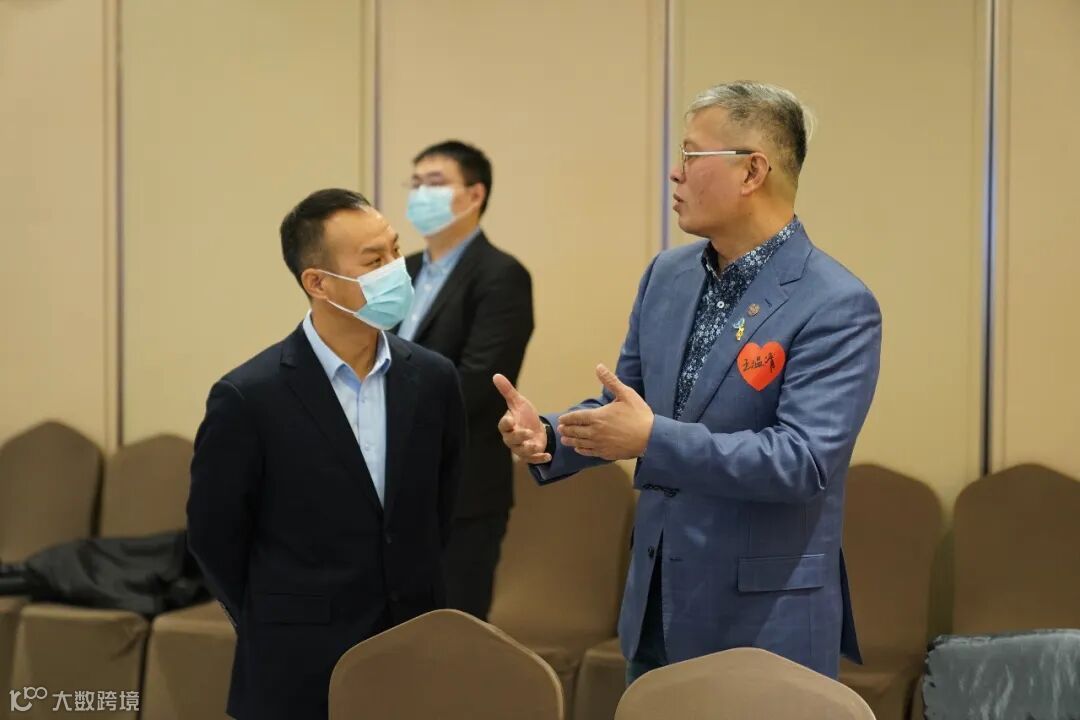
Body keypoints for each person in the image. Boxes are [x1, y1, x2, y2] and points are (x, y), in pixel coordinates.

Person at [494, 81, 881, 683]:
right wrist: (550, 436)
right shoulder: (668, 275)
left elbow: (802, 462)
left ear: (752, 171)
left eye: (692, 156)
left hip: (764, 618)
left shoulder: (834, 302)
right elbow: (626, 406)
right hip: (656, 602)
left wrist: (652, 438)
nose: (675, 173)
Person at [187, 188, 465, 719]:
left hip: (412, 649)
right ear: (317, 282)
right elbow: (213, 535)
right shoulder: (249, 396)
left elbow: (440, 508)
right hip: (295, 663)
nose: (396, 270)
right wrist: (275, 615)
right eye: (374, 261)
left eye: (395, 250)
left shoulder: (433, 379)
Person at [395, 140, 533, 620]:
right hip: (391, 484)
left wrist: (383, 395)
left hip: (461, 489)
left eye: (434, 183)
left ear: (474, 195)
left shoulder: (501, 275)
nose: (420, 194)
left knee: (450, 631)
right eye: (415, 183)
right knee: (386, 633)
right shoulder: (402, 271)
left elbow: (478, 382)